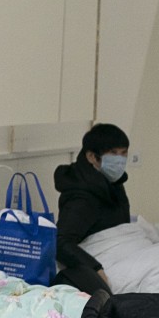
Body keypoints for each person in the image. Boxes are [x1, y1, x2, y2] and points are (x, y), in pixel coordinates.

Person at [52, 123, 131, 295]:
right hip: (102, 258)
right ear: (92, 157)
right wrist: (95, 268)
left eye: (124, 153)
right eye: (113, 154)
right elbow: (61, 242)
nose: (120, 160)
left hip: (126, 251)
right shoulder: (82, 196)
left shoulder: (113, 183)